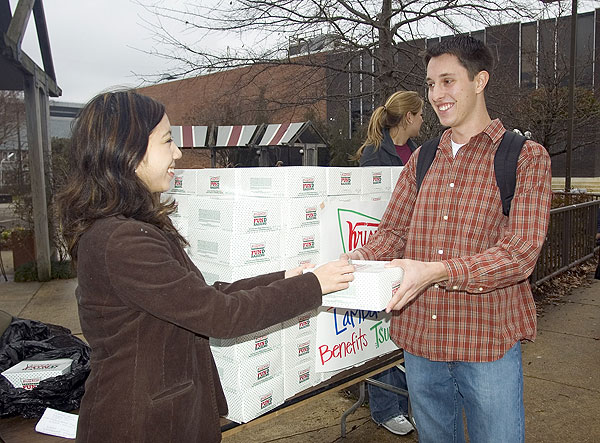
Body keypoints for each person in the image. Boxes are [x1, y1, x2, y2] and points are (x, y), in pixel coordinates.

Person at [57, 90, 355, 443]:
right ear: (128, 150)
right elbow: (221, 315)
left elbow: (200, 298)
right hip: (143, 423)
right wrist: (314, 286)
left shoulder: (126, 227)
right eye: (167, 141)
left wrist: (285, 277)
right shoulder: (123, 240)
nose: (178, 153)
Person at [348, 35, 552, 442]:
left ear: (480, 81)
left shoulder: (524, 157)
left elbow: (520, 253)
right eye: (430, 84)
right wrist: (345, 264)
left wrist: (437, 272)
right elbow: (390, 235)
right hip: (421, 343)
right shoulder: (421, 160)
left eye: (447, 81)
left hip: (486, 343)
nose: (437, 95)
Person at [355, 90, 424, 436]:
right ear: (409, 117)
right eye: (420, 114)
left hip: (412, 251)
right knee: (382, 328)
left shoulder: (418, 154)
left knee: (403, 326)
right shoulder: (373, 155)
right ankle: (384, 407)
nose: (424, 121)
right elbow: (371, 207)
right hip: (383, 249)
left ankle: (406, 403)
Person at [356, 90, 423, 168]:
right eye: (421, 115)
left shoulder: (415, 151)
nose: (422, 120)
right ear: (409, 117)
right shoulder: (374, 153)